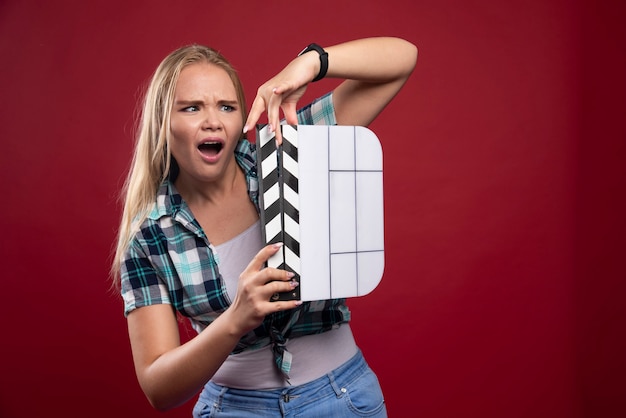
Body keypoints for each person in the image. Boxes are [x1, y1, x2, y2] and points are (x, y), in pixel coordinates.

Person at [112, 37, 417, 417]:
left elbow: (402, 59)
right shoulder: (149, 237)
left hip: (342, 399)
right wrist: (234, 321)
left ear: (242, 117)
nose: (212, 121)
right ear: (163, 123)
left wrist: (310, 63)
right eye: (191, 108)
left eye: (227, 106)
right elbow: (158, 387)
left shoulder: (292, 151)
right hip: (235, 408)